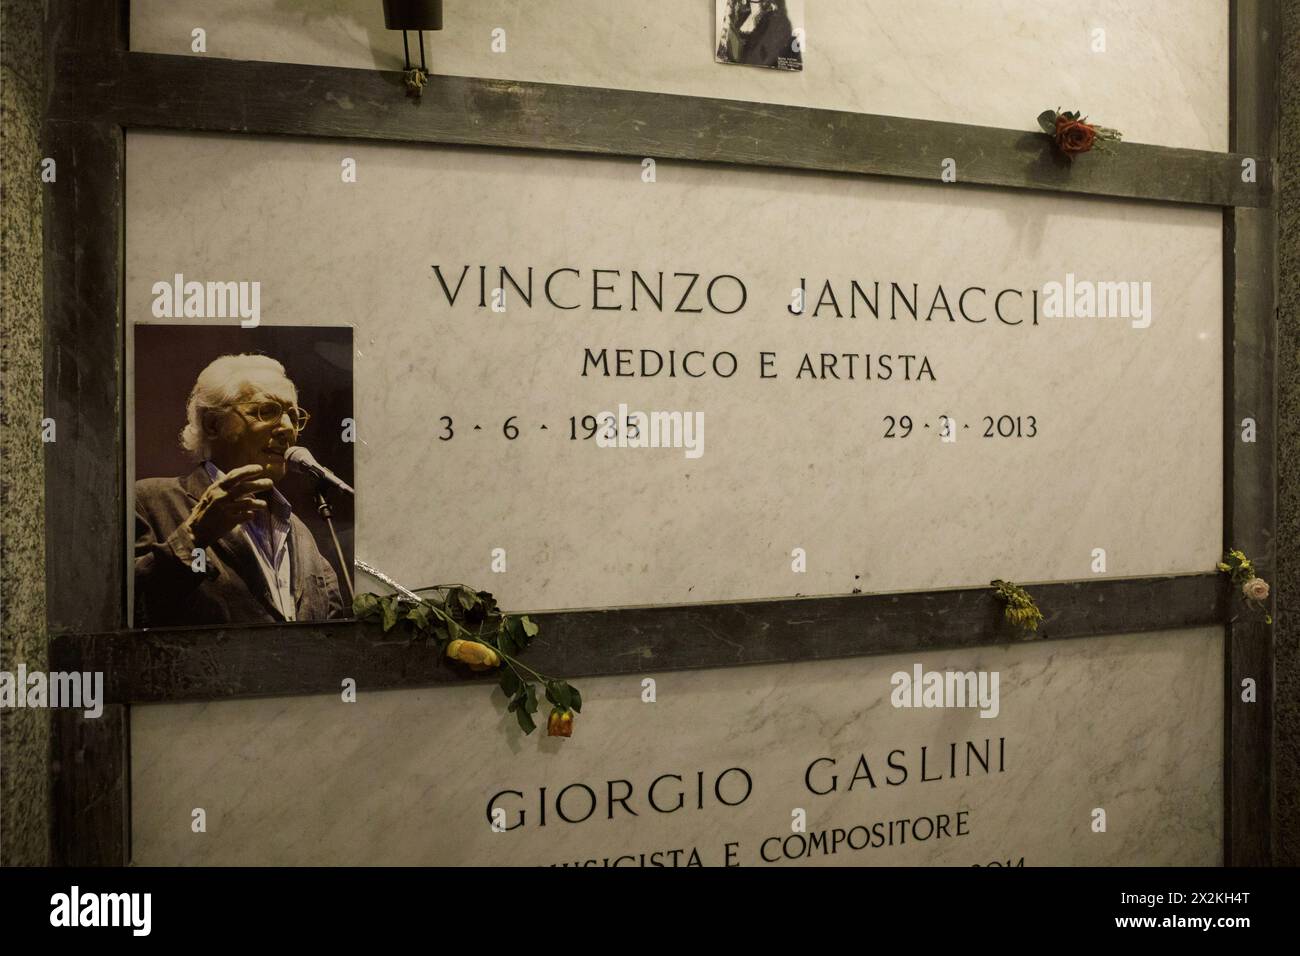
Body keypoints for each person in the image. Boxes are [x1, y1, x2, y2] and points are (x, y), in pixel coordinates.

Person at [134, 353, 347, 627]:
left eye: (294, 416)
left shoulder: (303, 535)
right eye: (266, 411)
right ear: (213, 424)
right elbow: (124, 611)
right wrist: (194, 535)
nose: (287, 429)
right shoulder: (149, 500)